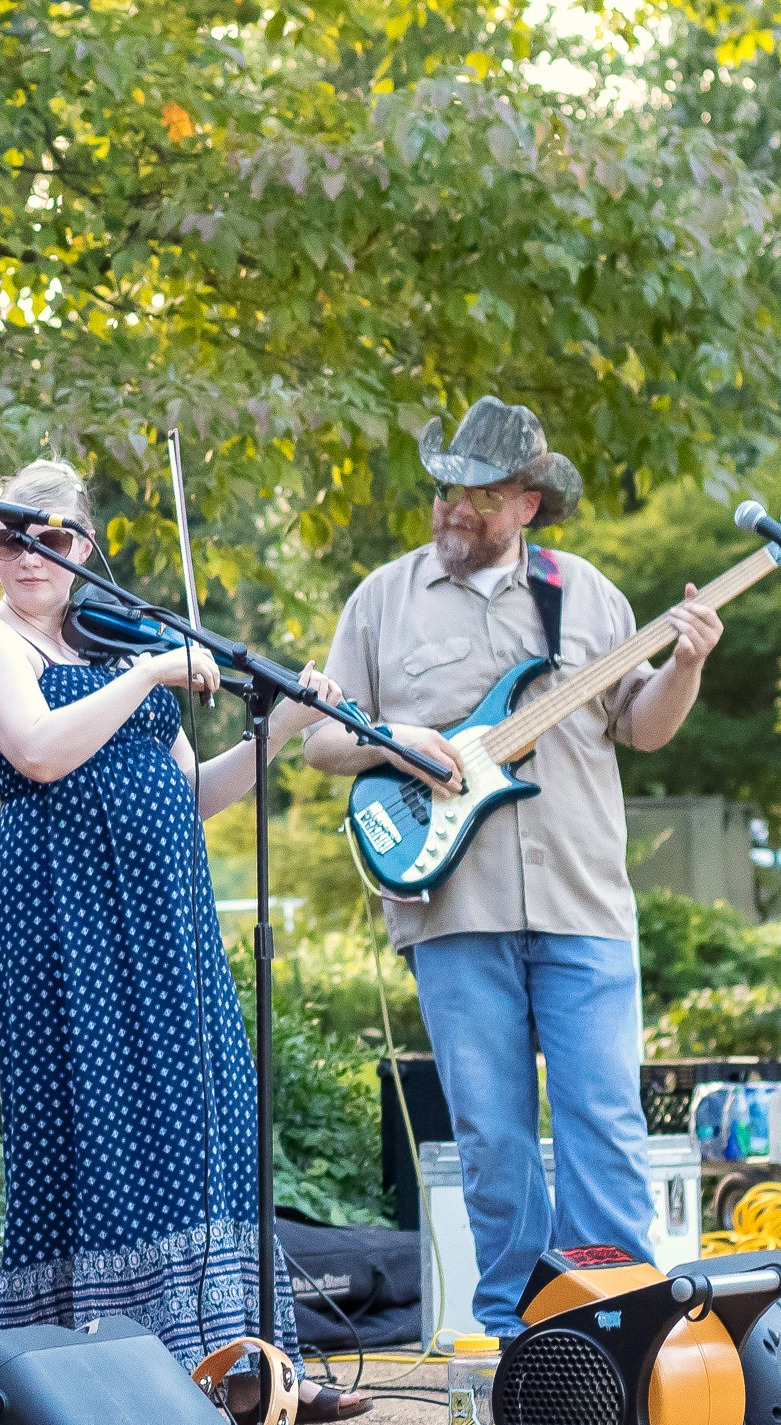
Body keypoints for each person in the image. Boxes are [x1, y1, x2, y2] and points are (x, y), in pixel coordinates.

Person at [0, 459, 367, 1421]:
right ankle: (116, 1371)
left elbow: (192, 792)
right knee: (101, 1125)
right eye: (7, 537)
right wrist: (146, 672)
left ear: (85, 545)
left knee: (207, 1114)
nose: (28, 555)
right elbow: (38, 751)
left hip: (164, 914)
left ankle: (244, 1362)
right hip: (64, 915)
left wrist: (277, 728)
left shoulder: (113, 638)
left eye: (51, 536)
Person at [303, 396, 723, 1338]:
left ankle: (618, 1327)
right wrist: (398, 743)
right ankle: (514, 1336)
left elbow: (643, 727)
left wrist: (687, 666)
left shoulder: (588, 594)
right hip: (454, 907)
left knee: (604, 1128)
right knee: (493, 1139)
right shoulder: (382, 599)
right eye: (446, 490)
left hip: (584, 902)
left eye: (483, 495)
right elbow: (322, 742)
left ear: (529, 504)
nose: (456, 508)